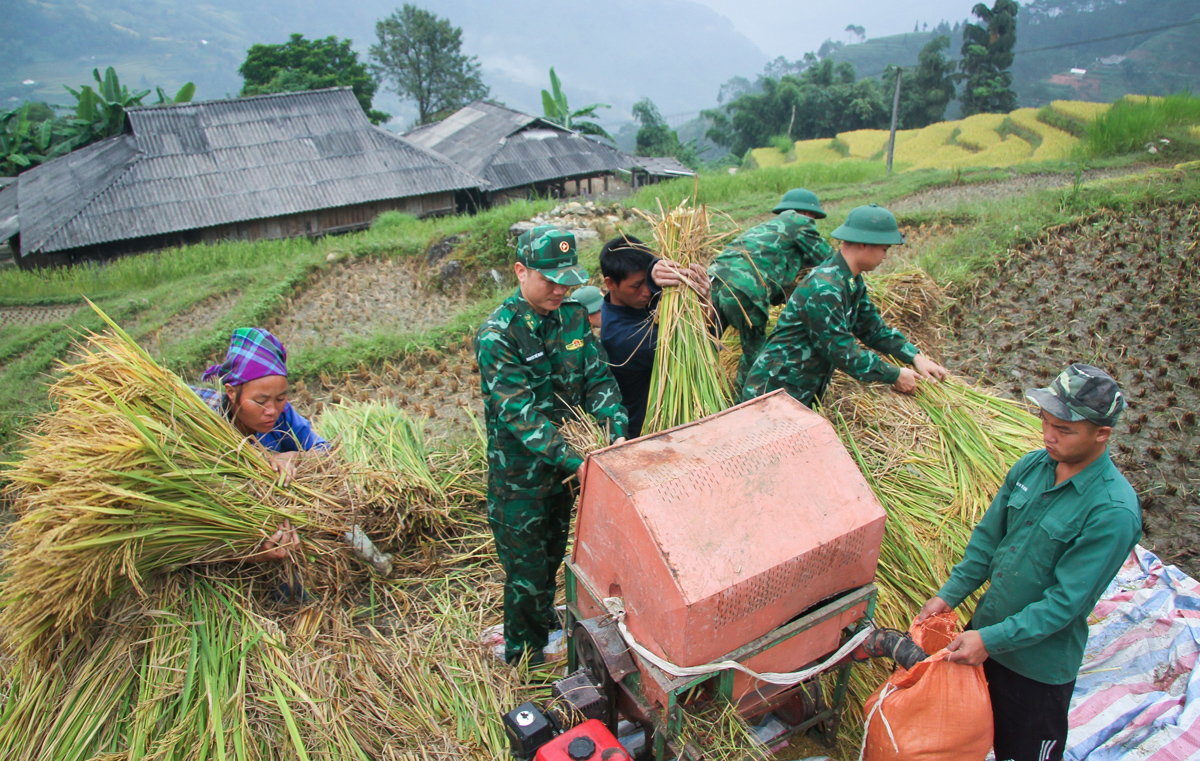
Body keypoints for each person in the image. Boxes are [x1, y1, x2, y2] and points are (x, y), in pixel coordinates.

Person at [915, 364, 1140, 761]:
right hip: (983, 636)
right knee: (959, 738)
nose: (1048, 436)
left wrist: (990, 641)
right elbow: (987, 541)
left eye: (1065, 429)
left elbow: (1064, 604)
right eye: (1046, 422)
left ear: (1102, 434)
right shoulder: (1032, 467)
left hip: (1034, 669)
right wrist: (949, 596)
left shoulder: (1112, 511)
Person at [475, 225, 629, 665]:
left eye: (568, 279)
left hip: (567, 475)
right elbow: (519, 415)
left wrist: (614, 426)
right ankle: (523, 658)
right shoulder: (498, 335)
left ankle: (542, 626)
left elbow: (598, 378)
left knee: (553, 557)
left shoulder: (575, 318)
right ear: (521, 271)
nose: (561, 289)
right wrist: (574, 459)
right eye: (550, 279)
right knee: (525, 572)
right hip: (520, 479)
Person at [741, 203, 948, 406]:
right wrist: (894, 375)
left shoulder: (850, 280)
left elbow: (872, 329)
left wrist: (914, 356)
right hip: (773, 392)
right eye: (884, 249)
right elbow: (841, 351)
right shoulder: (824, 287)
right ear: (864, 244)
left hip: (797, 389)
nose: (885, 256)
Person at [193, 327, 325, 561]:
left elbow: (326, 450)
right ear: (232, 393)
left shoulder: (284, 416)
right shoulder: (205, 430)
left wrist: (295, 455)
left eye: (280, 398)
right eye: (261, 401)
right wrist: (255, 554)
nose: (272, 411)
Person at [709, 188, 833, 390]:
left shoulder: (763, 230)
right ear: (808, 213)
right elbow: (829, 260)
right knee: (755, 354)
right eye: (813, 217)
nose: (813, 221)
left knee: (706, 347)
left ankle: (705, 397)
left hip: (713, 282)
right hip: (744, 289)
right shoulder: (798, 220)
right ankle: (744, 401)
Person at [598, 234, 710, 439]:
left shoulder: (630, 301)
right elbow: (697, 348)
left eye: (647, 282)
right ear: (610, 283)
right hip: (649, 431)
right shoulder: (620, 336)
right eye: (636, 286)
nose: (646, 293)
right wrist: (703, 302)